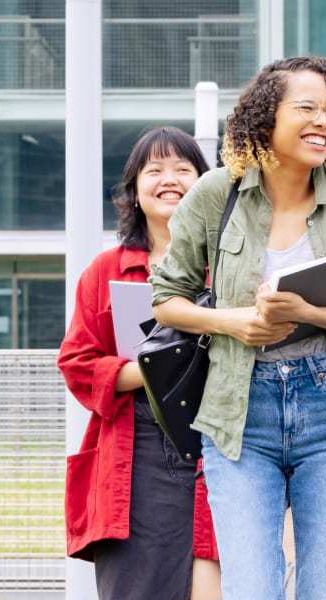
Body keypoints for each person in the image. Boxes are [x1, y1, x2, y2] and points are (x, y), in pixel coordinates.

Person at [150, 56, 326, 600]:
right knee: (251, 588)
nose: (324, 121)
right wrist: (235, 322)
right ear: (265, 117)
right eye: (306, 108)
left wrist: (303, 313)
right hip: (239, 414)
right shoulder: (216, 192)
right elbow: (166, 299)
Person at [59, 127, 222, 600]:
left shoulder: (229, 263)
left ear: (204, 186)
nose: (169, 180)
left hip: (217, 447)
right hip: (137, 454)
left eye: (183, 169)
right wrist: (157, 367)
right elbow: (77, 362)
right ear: (134, 189)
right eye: (155, 170)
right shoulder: (105, 270)